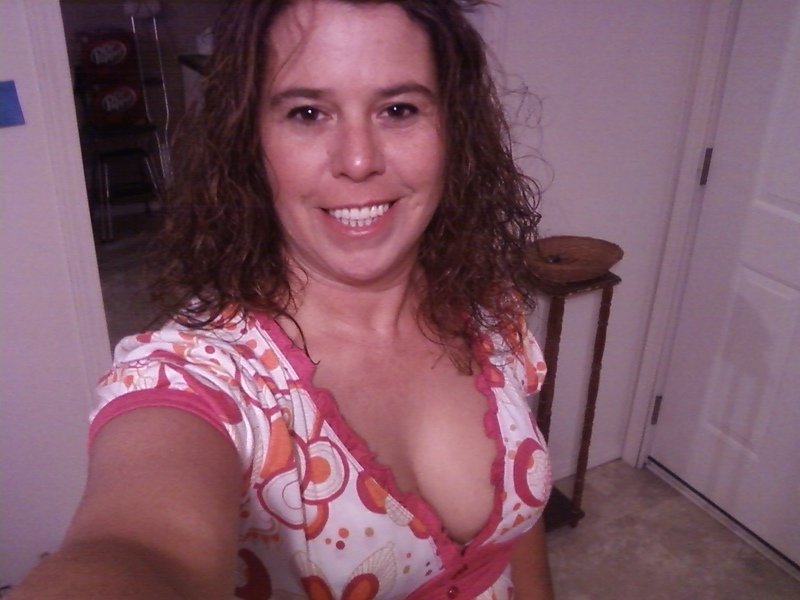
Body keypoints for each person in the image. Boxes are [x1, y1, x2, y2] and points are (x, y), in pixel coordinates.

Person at [13, 0, 552, 598]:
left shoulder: (487, 310)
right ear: (250, 141)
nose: (358, 160)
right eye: (308, 113)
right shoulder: (201, 380)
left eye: (399, 109)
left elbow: (517, 527)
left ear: (453, 129)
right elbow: (135, 548)